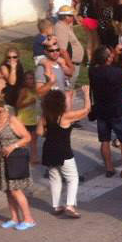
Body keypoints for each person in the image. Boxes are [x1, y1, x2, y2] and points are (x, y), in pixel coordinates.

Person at [0, 96, 37, 231]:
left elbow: (27, 137)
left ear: (4, 108)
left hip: (13, 159)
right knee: (8, 191)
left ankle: (28, 219)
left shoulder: (12, 120)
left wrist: (13, 146)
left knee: (15, 190)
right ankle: (14, 218)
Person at [37, 89, 89, 218]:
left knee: (54, 178)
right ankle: (70, 205)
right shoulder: (65, 116)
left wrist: (48, 133)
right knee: (72, 178)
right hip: (63, 151)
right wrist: (87, 95)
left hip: (48, 150)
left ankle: (56, 206)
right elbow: (86, 110)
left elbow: (39, 132)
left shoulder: (45, 116)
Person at [87, 45, 122, 178]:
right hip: (118, 110)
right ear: (107, 58)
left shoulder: (93, 71)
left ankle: (109, 168)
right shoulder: (115, 72)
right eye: (110, 54)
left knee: (104, 140)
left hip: (101, 110)